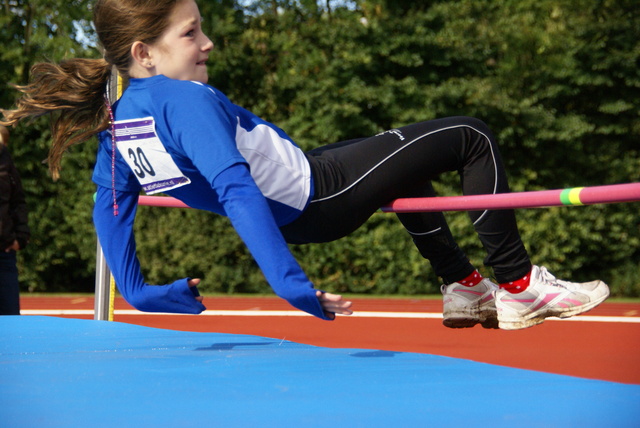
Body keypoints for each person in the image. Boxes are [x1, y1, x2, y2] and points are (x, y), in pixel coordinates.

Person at [1, 0, 609, 329]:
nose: (208, 43)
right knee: (470, 135)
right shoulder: (180, 99)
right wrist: (291, 287)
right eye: (191, 33)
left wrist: (146, 295)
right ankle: (521, 285)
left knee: (407, 169)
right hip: (320, 193)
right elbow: (236, 189)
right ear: (145, 54)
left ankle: (464, 287)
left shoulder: (118, 130)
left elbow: (111, 222)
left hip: (306, 192)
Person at [0, 125, 30, 315]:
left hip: (4, 252)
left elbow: (17, 200)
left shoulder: (5, 159)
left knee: (10, 321)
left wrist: (20, 237)